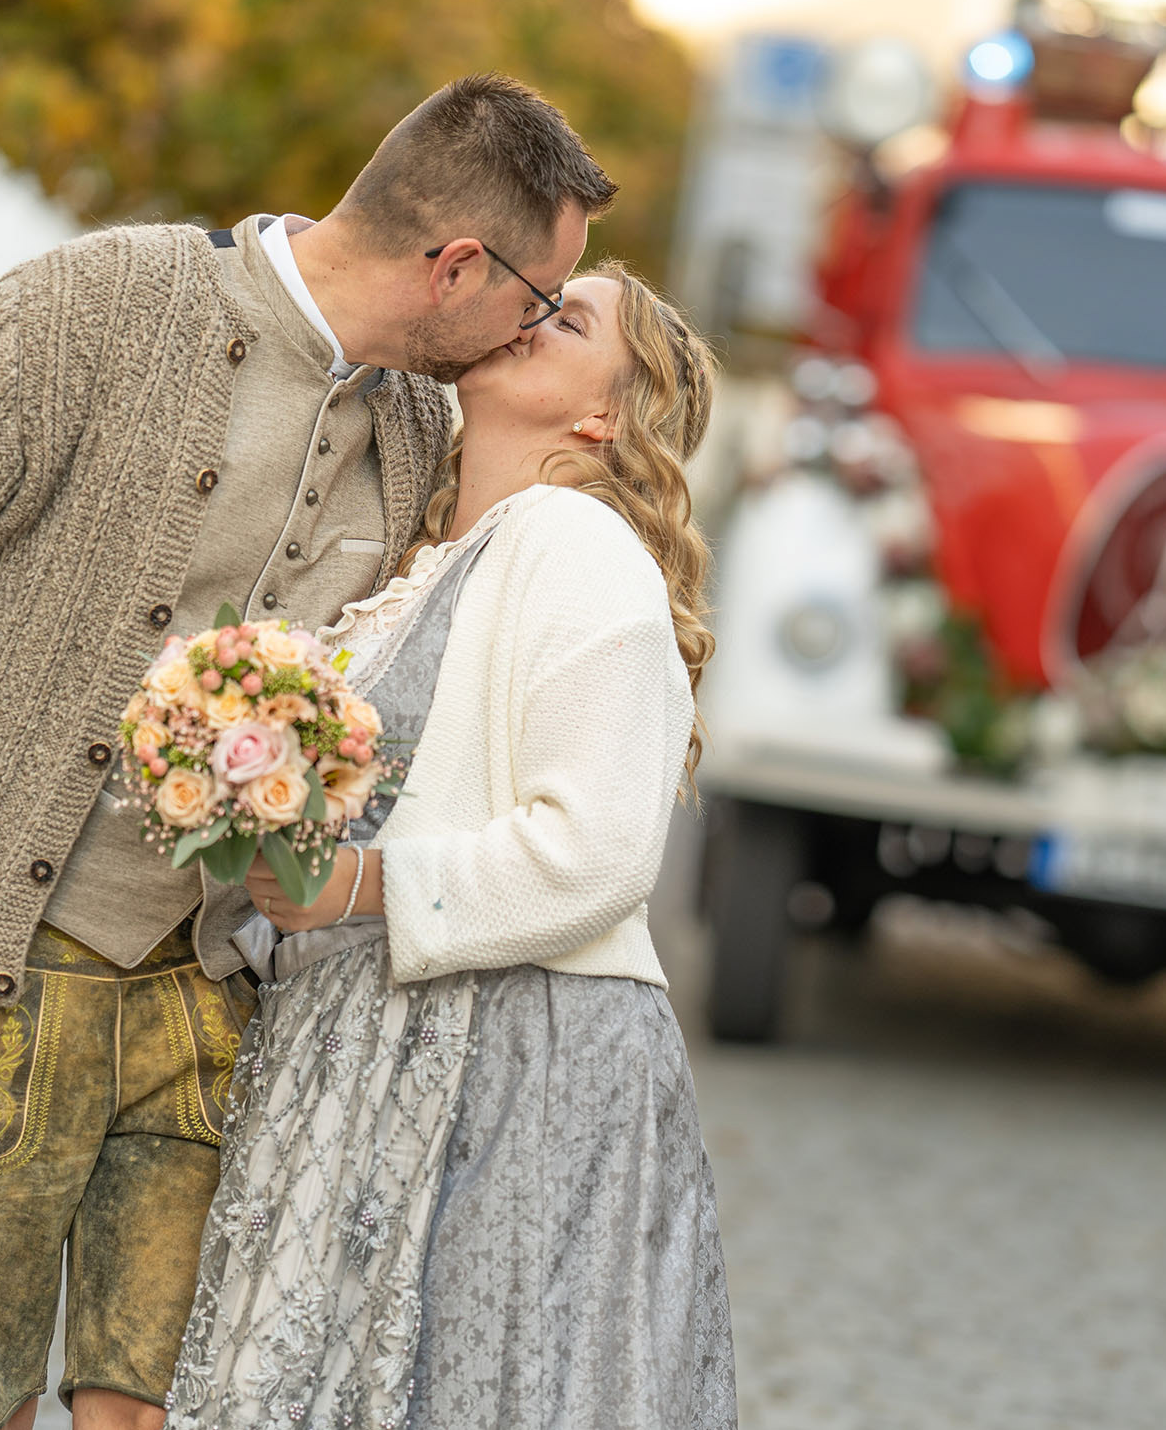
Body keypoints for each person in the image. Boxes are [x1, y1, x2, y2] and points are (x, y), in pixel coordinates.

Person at [0, 74, 616, 1430]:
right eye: (537, 300)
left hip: (208, 1007)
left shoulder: (422, 436)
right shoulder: (94, 306)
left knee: (161, 1409)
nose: (530, 332)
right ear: (457, 264)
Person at [162, 264, 737, 1430]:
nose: (529, 314)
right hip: (370, 1036)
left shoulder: (578, 545)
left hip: (522, 1056)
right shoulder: (436, 559)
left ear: (605, 417)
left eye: (564, 320)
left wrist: (358, 885)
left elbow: (601, 852)